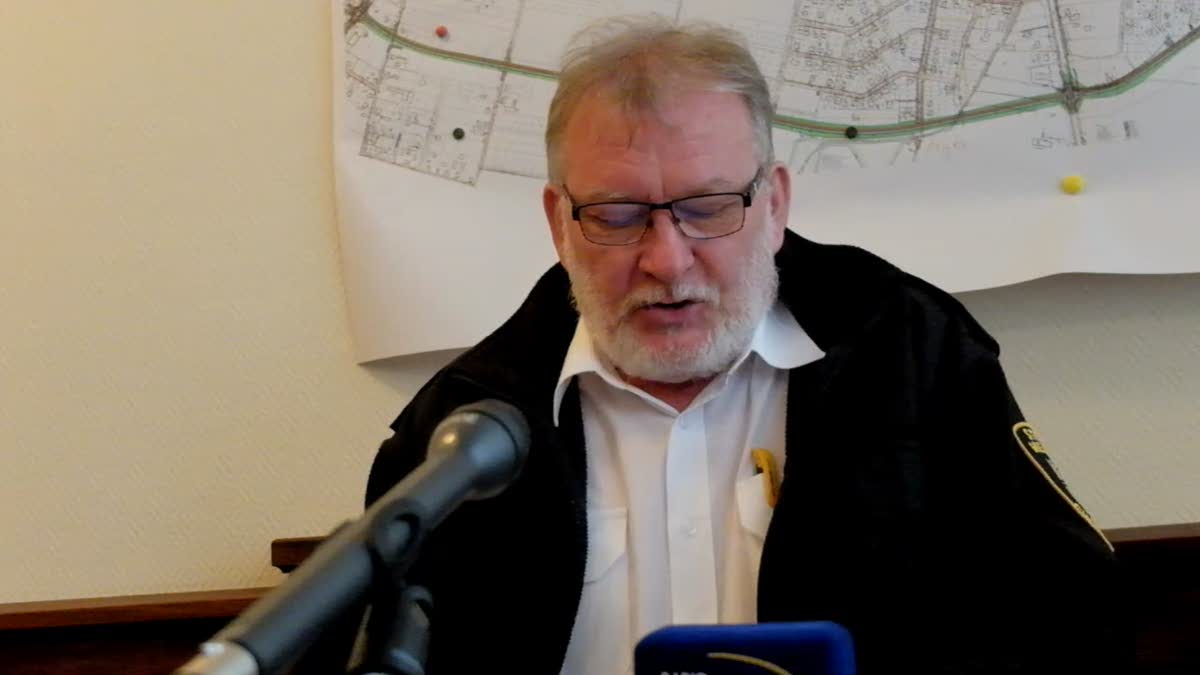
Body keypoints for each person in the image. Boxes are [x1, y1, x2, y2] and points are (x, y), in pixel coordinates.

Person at [365, 16, 1128, 675]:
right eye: (618, 216)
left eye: (707, 207)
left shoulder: (913, 359)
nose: (667, 260)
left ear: (775, 204)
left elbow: (1070, 619)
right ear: (559, 224)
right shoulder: (463, 434)